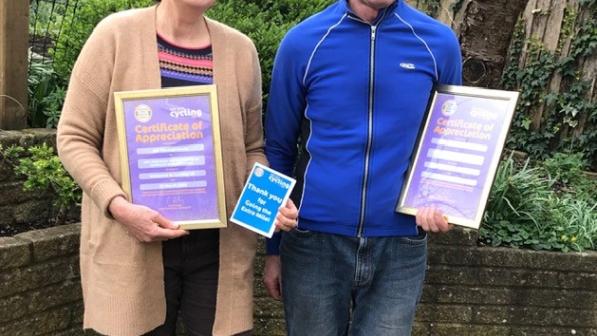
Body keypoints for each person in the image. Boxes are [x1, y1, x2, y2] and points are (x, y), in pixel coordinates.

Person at [57, 0, 298, 335]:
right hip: (133, 245)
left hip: (218, 251)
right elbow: (74, 137)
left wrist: (268, 201)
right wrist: (118, 205)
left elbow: (251, 148)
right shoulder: (114, 36)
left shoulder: (241, 51)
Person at [263, 0, 462, 335]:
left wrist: (445, 200)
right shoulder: (303, 42)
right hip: (313, 241)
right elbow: (277, 147)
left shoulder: (438, 43)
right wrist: (272, 249)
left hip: (400, 245)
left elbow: (451, 138)